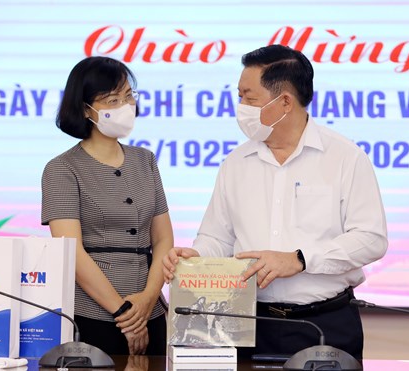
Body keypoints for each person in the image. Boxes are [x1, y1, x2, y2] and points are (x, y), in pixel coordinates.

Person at [163, 45, 388, 361]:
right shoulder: (236, 162)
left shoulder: (345, 158)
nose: (240, 106)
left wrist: (299, 259)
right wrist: (196, 256)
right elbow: (218, 237)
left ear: (284, 102)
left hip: (324, 323)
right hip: (248, 322)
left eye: (249, 98)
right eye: (239, 96)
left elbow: (371, 239)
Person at [41, 56, 172, 355]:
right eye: (113, 99)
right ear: (85, 109)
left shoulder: (145, 160)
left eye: (128, 96)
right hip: (94, 314)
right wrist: (124, 313)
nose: (125, 106)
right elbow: (71, 252)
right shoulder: (62, 169)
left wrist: (149, 298)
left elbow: (163, 238)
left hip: (150, 311)